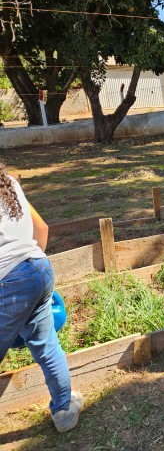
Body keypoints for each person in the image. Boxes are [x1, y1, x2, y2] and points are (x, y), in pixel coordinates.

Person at [0, 163, 83, 432]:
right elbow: (42, 228)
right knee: (47, 348)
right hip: (39, 267)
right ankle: (64, 411)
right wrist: (30, 276)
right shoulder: (9, 183)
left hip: (8, 280)